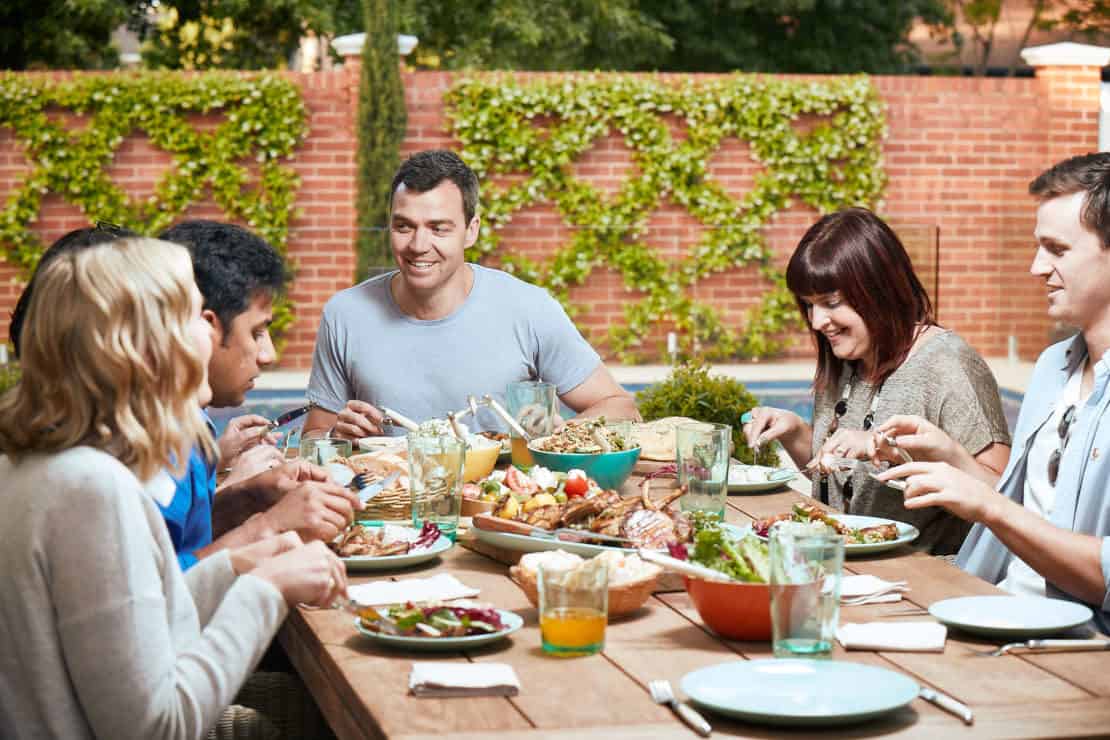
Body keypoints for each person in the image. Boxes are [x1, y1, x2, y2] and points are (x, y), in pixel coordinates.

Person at [0, 237, 346, 738]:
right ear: (146, 349)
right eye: (193, 314)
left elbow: (131, 630)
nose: (208, 334)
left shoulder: (37, 464)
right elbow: (158, 726)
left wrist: (237, 564)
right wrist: (266, 590)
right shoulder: (91, 490)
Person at [877, 152, 1110, 629]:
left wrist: (990, 506)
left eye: (1057, 249)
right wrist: (953, 459)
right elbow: (1033, 513)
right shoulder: (1053, 368)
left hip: (1076, 648)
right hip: (993, 604)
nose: (1035, 268)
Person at [302, 149, 639, 440]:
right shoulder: (345, 314)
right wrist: (335, 436)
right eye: (404, 226)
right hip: (391, 507)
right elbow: (315, 436)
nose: (419, 246)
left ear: (471, 231)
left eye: (439, 228)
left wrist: (559, 439)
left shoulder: (528, 309)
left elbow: (621, 407)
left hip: (506, 505)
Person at [742, 208, 1011, 555]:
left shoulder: (948, 364)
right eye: (809, 305)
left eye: (831, 302)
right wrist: (795, 433)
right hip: (848, 570)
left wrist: (893, 450)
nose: (817, 321)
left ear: (879, 290)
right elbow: (848, 487)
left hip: (931, 580)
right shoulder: (849, 359)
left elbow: (1003, 497)